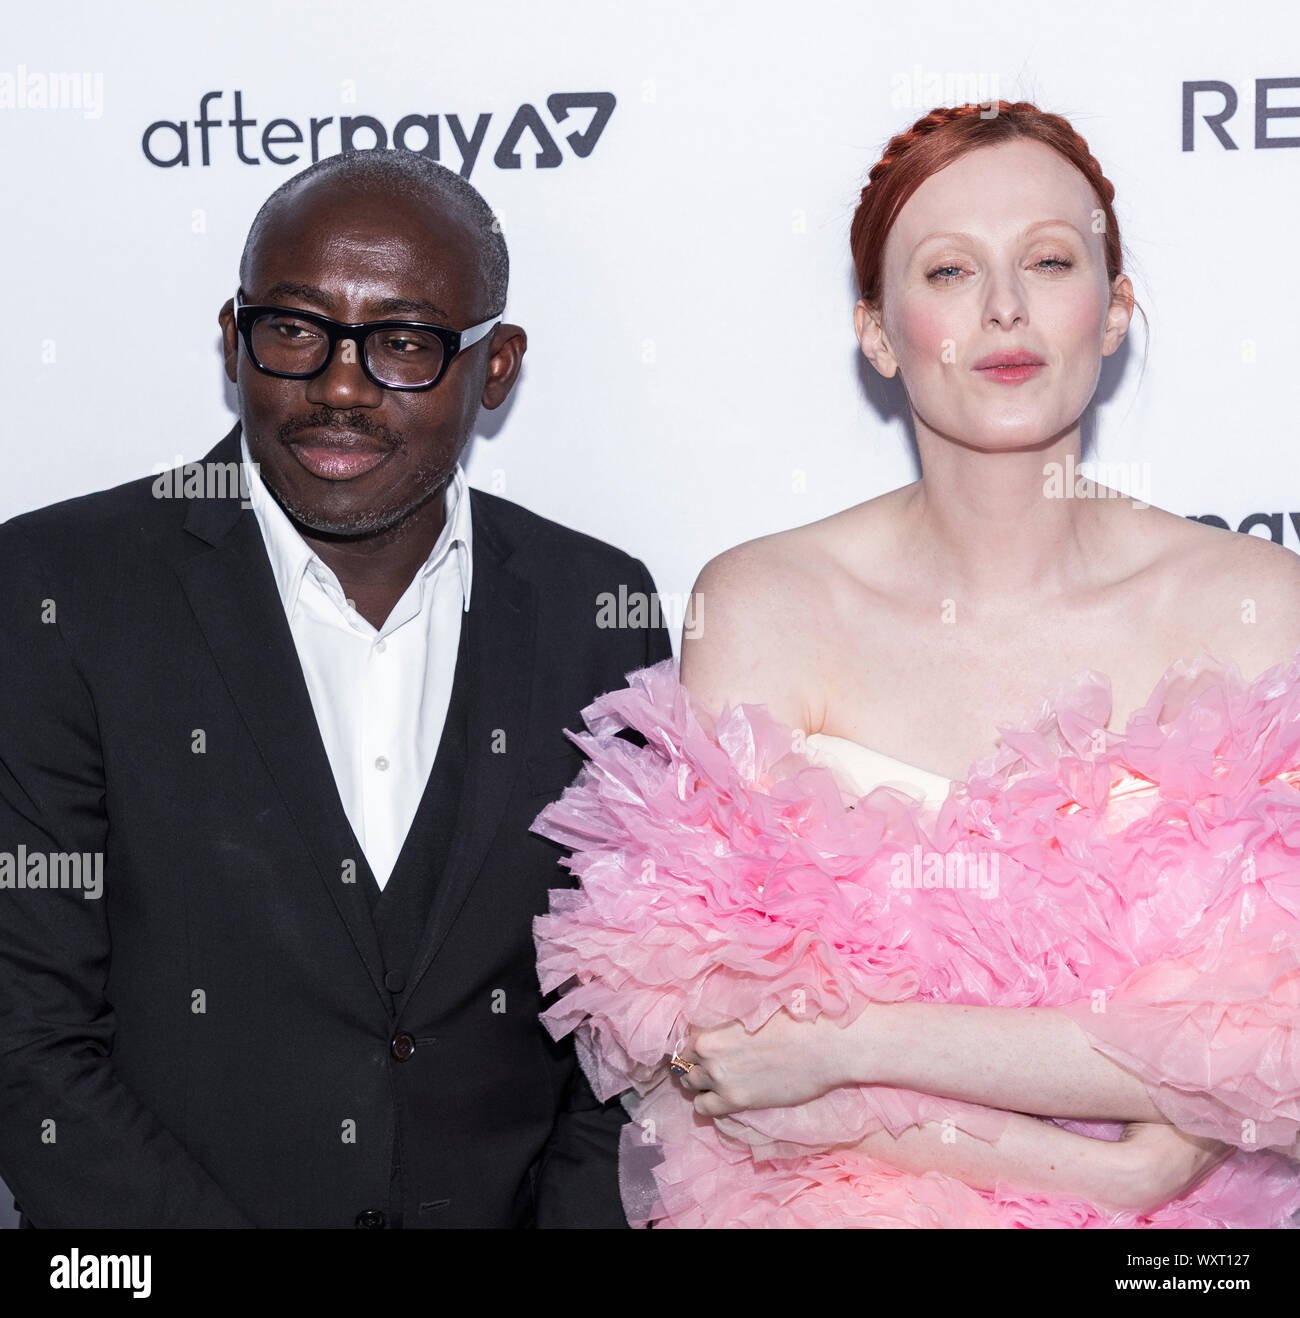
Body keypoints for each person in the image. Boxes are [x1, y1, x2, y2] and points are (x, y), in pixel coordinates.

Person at [533, 102, 1300, 1227]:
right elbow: (721, 1055)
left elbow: (1271, 1037)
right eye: (948, 270)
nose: (1004, 306)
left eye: (1048, 259)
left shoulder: (1250, 609)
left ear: (1114, 311)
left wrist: (858, 1042)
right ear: (879, 332)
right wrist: (1108, 1164)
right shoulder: (767, 604)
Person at [0, 148, 671, 1228]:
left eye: (402, 341)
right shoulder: (57, 590)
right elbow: (26, 1036)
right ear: (233, 339)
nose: (341, 385)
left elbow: (633, 1025)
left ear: (495, 367)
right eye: (295, 330)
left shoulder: (596, 605)